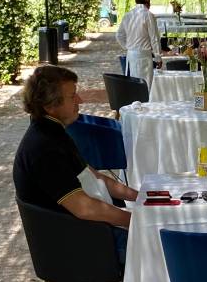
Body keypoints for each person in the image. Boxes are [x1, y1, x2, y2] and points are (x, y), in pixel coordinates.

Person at [13, 65, 137, 263]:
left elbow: (92, 175)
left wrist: (139, 197)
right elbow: (84, 208)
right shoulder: (44, 148)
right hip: (77, 244)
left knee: (161, 228)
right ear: (49, 105)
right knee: (163, 243)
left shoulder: (52, 131)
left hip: (84, 231)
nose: (79, 101)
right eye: (72, 97)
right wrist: (137, 221)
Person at [116, 0, 162, 88]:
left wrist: (128, 47)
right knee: (146, 87)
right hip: (144, 56)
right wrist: (158, 57)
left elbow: (119, 35)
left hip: (131, 56)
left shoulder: (128, 15)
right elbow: (154, 38)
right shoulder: (148, 15)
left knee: (134, 87)